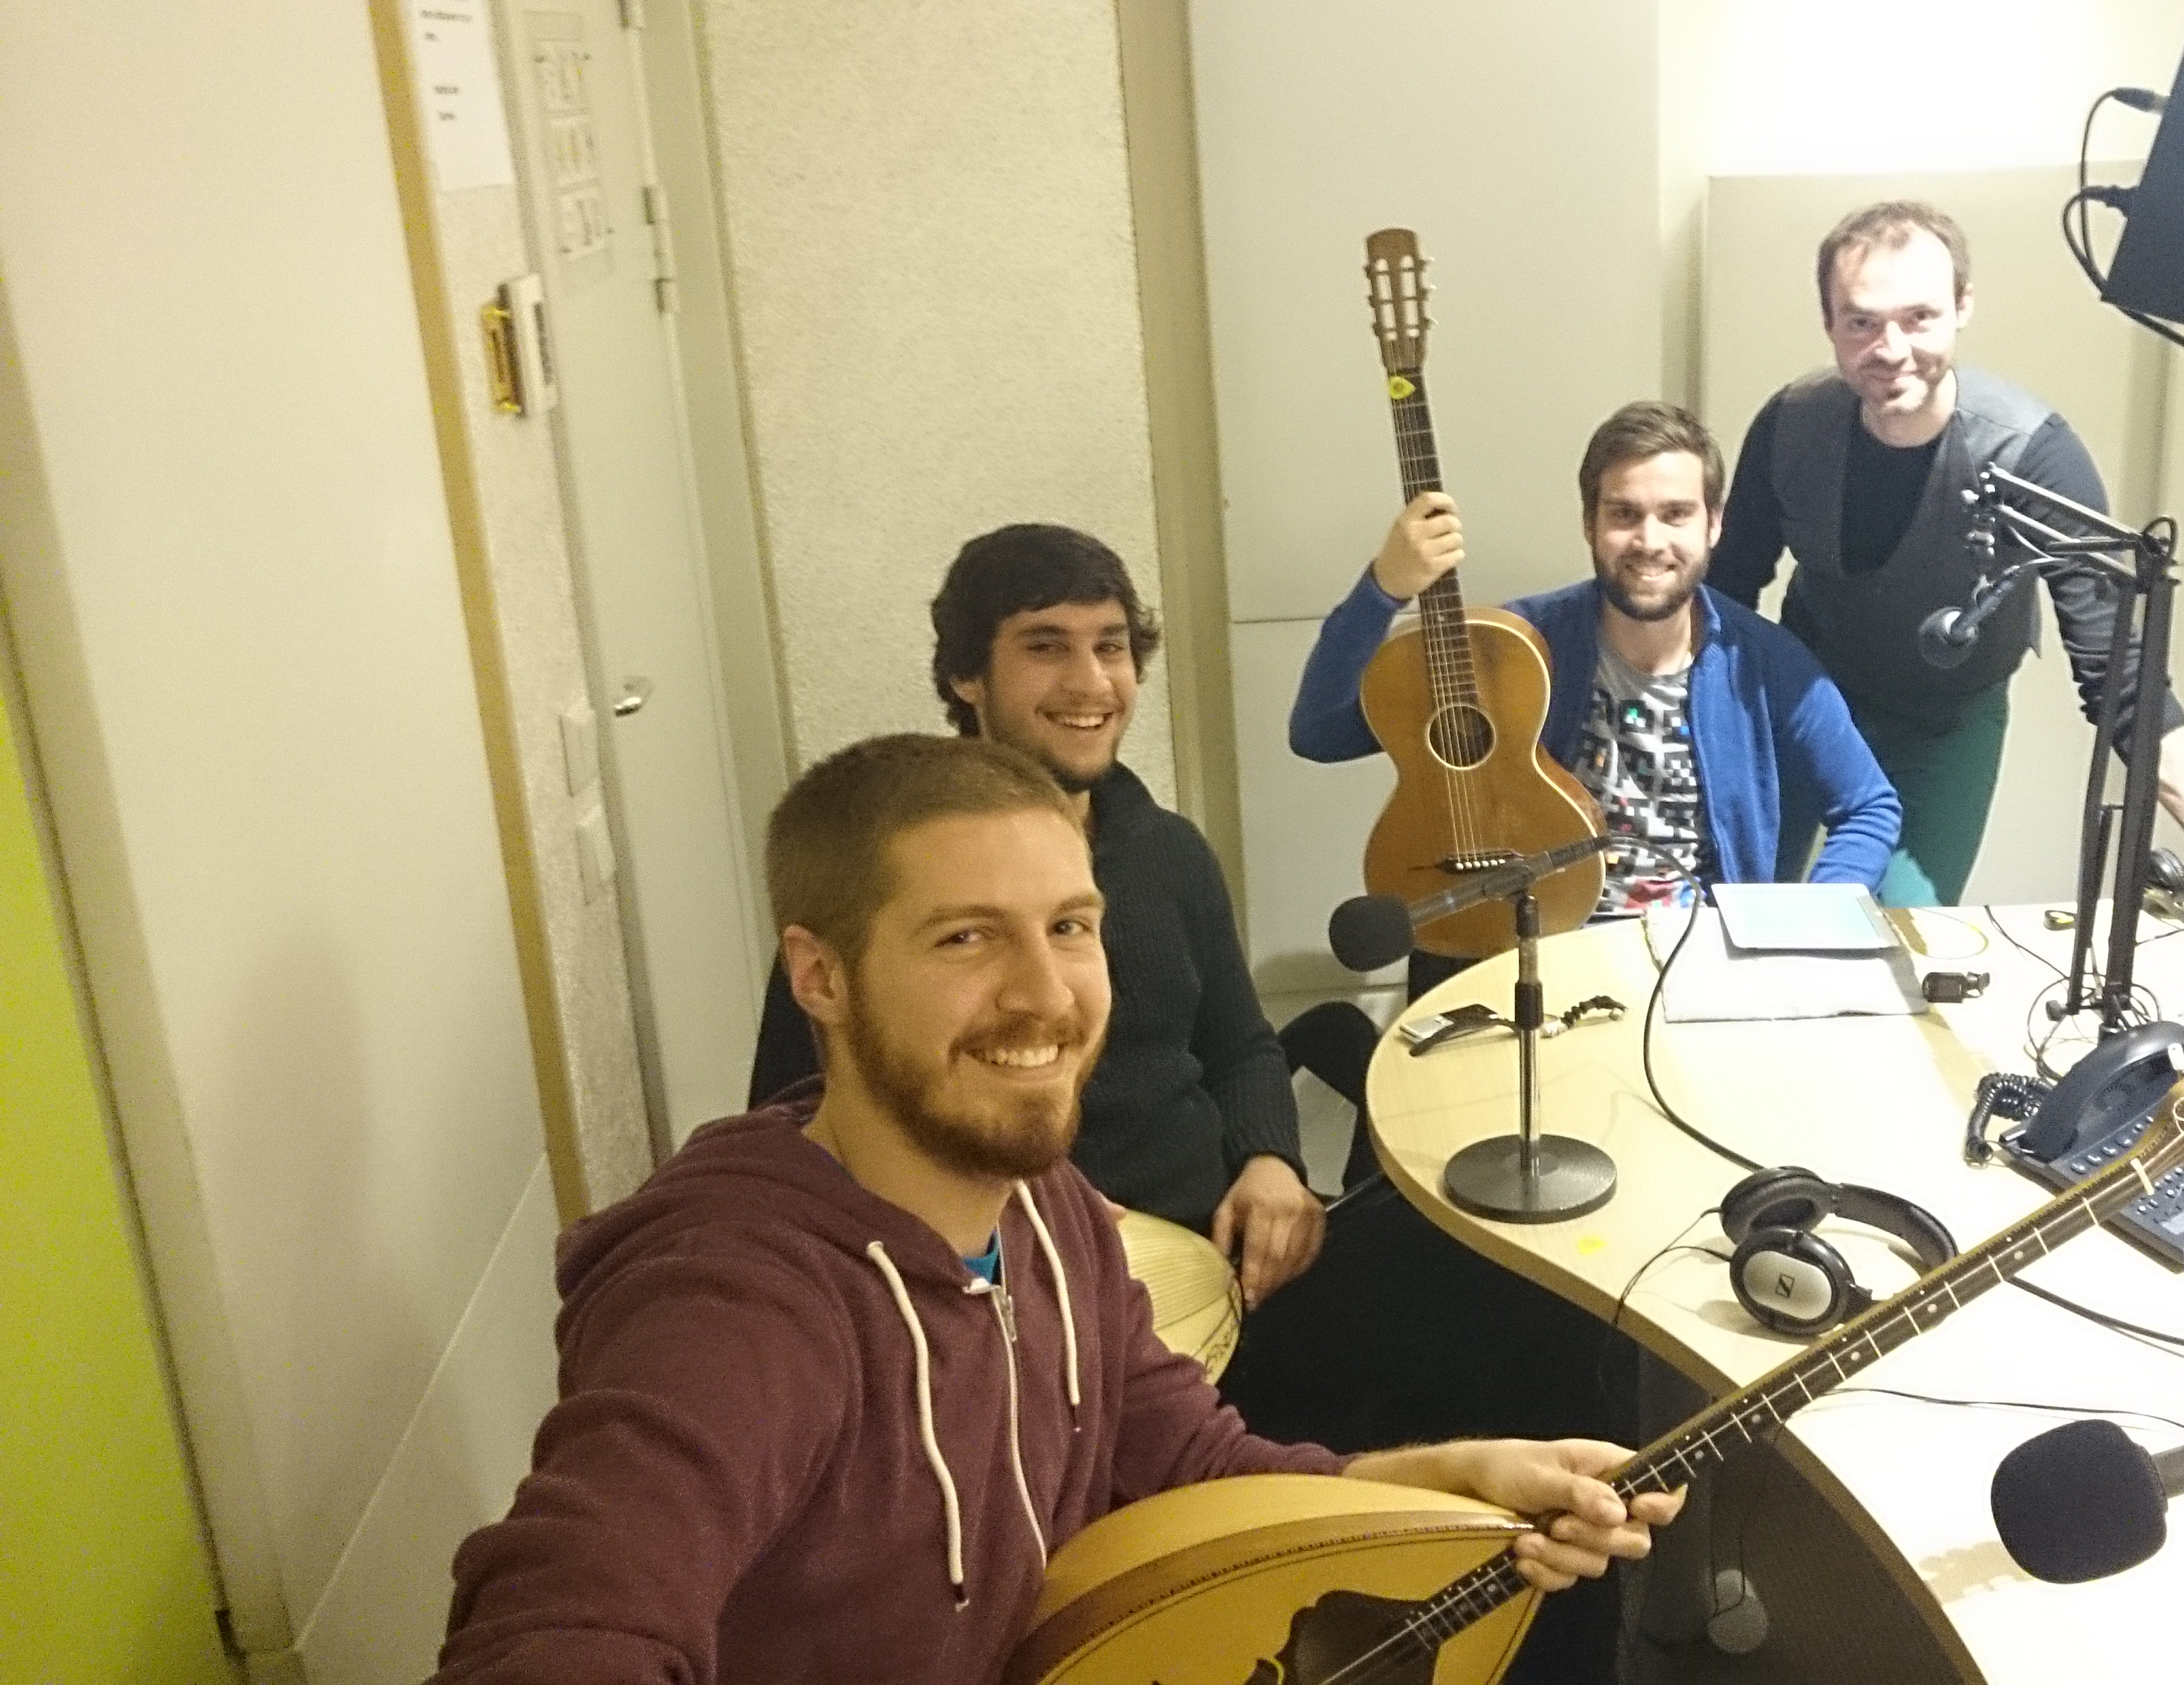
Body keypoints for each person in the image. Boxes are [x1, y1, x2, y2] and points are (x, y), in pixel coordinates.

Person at [430, 734, 1680, 1683]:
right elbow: (563, 1624)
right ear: (820, 977)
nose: (1047, 994)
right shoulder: (739, 1304)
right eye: (966, 939)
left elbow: (1190, 1465)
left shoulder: (1050, 1209)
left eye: (1071, 927)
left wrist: (1449, 1481)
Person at [746, 526, 1322, 1310]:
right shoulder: (894, 872)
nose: (1092, 683)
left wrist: (1271, 1162)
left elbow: (1240, 1045)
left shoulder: (1171, 851)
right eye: (1046, 647)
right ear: (967, 675)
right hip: (1019, 1288)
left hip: (1222, 1253)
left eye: (1111, 647)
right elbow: (793, 1114)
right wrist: (1026, 1218)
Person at [1706, 200, 2184, 906]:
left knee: (1897, 930)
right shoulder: (1791, 423)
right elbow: (1725, 598)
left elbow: (2117, 672)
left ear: (1962, 307)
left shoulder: (2033, 454)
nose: (1890, 349)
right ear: (1828, 321)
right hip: (1804, 704)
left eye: (1919, 318)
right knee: (1740, 906)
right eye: (1862, 322)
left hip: (1944, 725)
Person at [1292, 400, 1900, 938]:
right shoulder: (1515, 648)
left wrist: (1805, 924)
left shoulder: (1765, 663)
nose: (1650, 541)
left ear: (1714, 525)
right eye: (1624, 514)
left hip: (1698, 953)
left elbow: (1869, 807)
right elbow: (1320, 733)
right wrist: (1383, 589)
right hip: (1538, 945)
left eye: (1676, 514)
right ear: (1590, 523)